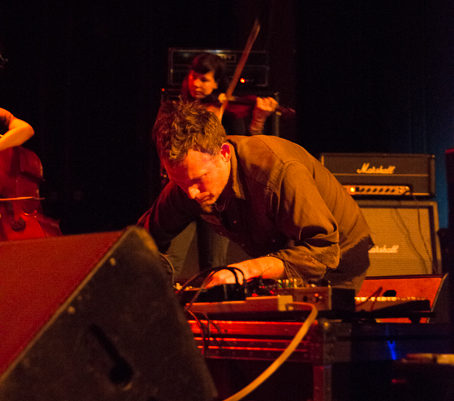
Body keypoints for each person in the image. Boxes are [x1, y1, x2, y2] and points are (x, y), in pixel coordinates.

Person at [139, 101, 374, 292]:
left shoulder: (278, 172)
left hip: (338, 257)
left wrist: (244, 270)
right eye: (180, 182)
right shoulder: (188, 182)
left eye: (198, 179)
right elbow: (143, 240)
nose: (191, 193)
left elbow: (323, 252)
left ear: (224, 153)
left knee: (319, 333)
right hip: (286, 257)